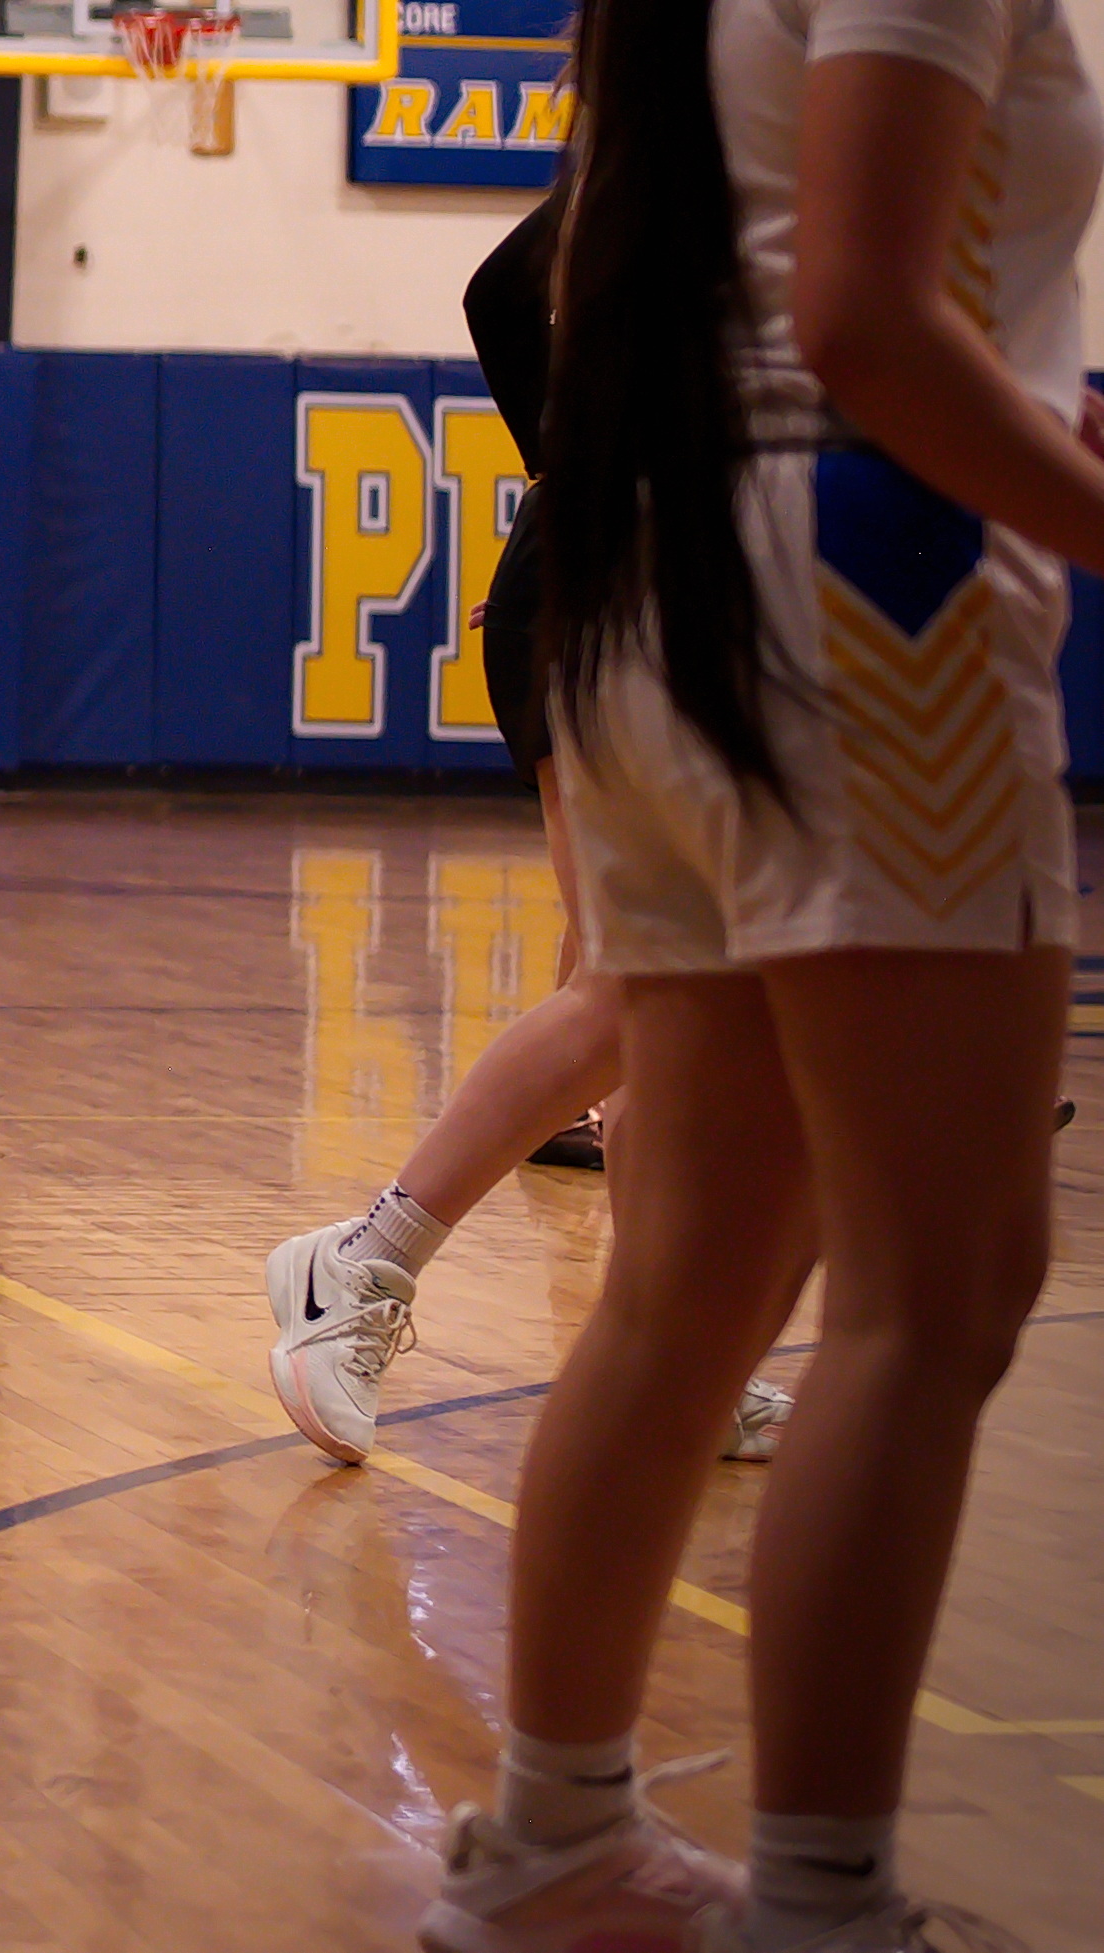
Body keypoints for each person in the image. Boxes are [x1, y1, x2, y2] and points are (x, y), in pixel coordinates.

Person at [423, 0, 1087, 1953]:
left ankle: (553, 1841)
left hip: (646, 608)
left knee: (692, 1280)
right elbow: (864, 331)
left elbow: (725, 308)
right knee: (933, 1297)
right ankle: (823, 1901)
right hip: (862, 613)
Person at [265, 184, 796, 1472]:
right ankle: (364, 1262)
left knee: (684, 1000)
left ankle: (682, 1343)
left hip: (708, 586)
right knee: (651, 986)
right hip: (619, 583)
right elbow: (508, 286)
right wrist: (573, 464)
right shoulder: (708, 117)